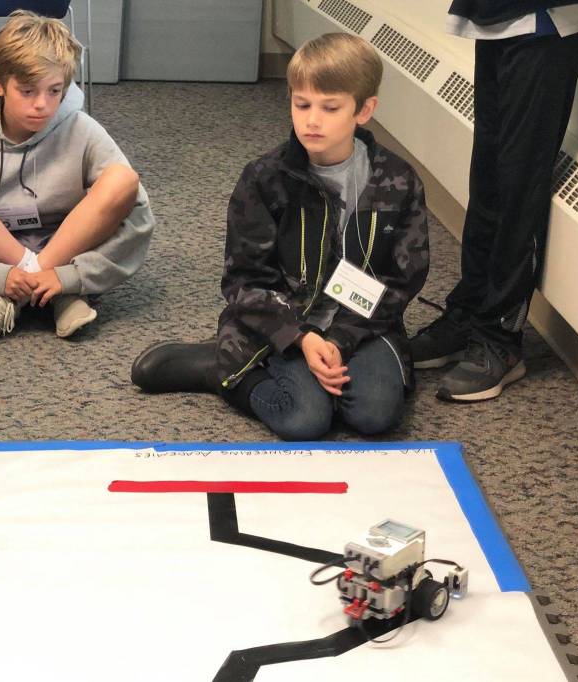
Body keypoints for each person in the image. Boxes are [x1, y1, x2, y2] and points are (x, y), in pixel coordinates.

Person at [131, 33, 429, 441]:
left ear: (364, 110)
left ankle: (319, 374)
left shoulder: (397, 181)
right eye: (301, 104)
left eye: (330, 107)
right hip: (280, 320)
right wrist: (302, 338)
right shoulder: (264, 178)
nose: (312, 120)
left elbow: (400, 280)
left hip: (362, 325)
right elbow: (244, 280)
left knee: (374, 417)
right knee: (304, 421)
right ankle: (219, 368)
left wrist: (340, 339)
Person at [0, 10, 155, 345]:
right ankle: (53, 293)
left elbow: (135, 209)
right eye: (27, 91)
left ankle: (24, 294)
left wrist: (63, 271)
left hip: (67, 247)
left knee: (124, 181)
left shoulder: (81, 128)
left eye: (54, 91)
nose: (42, 105)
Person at [409, 2, 578, 402]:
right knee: (488, 178)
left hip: (547, 23)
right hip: (495, 17)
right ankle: (470, 312)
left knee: (519, 185)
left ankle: (500, 335)